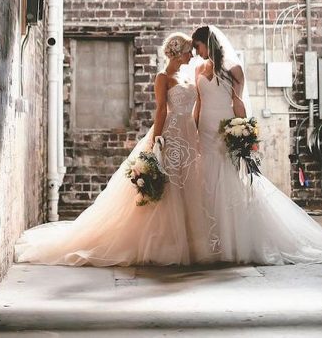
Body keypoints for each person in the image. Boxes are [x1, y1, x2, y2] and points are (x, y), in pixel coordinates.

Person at [15, 32, 211, 266]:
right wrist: (156, 141)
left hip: (188, 134)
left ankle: (189, 242)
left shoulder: (188, 74)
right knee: (168, 187)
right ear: (179, 53)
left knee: (187, 183)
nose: (193, 56)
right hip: (172, 133)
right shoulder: (163, 77)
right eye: (190, 51)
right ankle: (163, 243)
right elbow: (160, 111)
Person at [192, 24, 322, 265]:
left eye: (197, 46)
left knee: (228, 181)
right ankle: (210, 242)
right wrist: (193, 130)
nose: (196, 52)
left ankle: (233, 242)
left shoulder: (233, 69)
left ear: (209, 42)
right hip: (204, 132)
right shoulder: (198, 70)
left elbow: (238, 103)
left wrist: (242, 132)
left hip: (224, 131)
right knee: (206, 181)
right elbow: (198, 103)